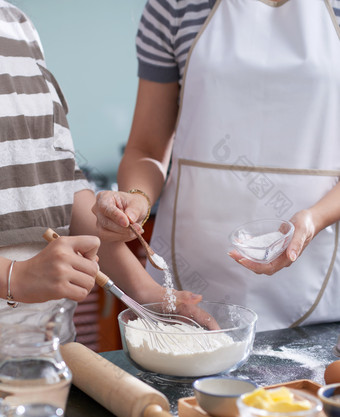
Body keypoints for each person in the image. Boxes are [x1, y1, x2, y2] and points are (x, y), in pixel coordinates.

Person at [92, 0, 340, 332]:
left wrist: (315, 218)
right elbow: (146, 147)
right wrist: (138, 196)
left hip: (317, 280)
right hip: (189, 278)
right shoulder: (174, 6)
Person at [0, 0, 203, 343]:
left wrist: (148, 293)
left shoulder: (16, 24)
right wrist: (13, 278)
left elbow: (60, 183)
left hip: (46, 350)